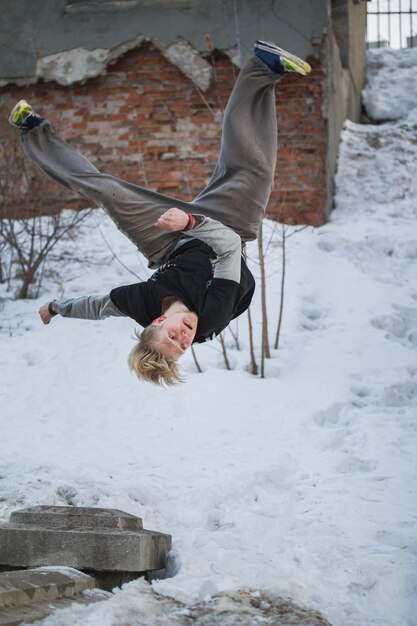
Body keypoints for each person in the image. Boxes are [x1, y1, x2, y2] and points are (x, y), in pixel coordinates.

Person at [9, 40, 311, 386]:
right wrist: (191, 222)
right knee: (254, 162)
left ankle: (33, 131)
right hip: (230, 228)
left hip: (167, 243)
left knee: (107, 192)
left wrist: (57, 307)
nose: (183, 338)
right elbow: (226, 245)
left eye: (172, 338)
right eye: (182, 347)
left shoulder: (140, 302)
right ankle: (264, 66)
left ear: (155, 322)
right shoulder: (212, 315)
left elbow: (98, 307)